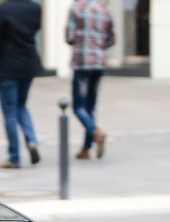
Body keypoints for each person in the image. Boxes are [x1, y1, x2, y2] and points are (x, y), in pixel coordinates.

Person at [0, 0, 41, 169]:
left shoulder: (2, 9)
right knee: (21, 105)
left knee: (10, 111)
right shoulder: (35, 8)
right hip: (28, 64)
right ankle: (32, 141)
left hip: (6, 67)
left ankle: (14, 157)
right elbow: (35, 30)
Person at [65, 0, 114, 160]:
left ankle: (95, 131)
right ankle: (86, 148)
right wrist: (98, 46)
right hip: (99, 63)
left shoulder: (76, 8)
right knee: (90, 106)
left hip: (82, 63)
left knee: (78, 107)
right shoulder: (104, 8)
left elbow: (69, 37)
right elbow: (111, 39)